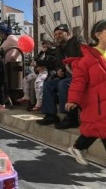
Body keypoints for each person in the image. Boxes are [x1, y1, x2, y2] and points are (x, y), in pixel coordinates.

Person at [65, 20, 106, 165]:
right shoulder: (88, 58)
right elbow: (78, 80)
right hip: (97, 105)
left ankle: (77, 147)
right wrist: (73, 99)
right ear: (98, 35)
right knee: (99, 129)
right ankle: (77, 147)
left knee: (96, 130)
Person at [36, 24, 85, 129]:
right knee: (48, 84)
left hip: (80, 76)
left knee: (63, 84)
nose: (58, 36)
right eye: (56, 34)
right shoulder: (58, 49)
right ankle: (51, 115)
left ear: (67, 34)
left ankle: (71, 118)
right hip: (67, 76)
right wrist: (58, 71)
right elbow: (59, 65)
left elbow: (84, 56)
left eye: (60, 33)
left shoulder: (76, 41)